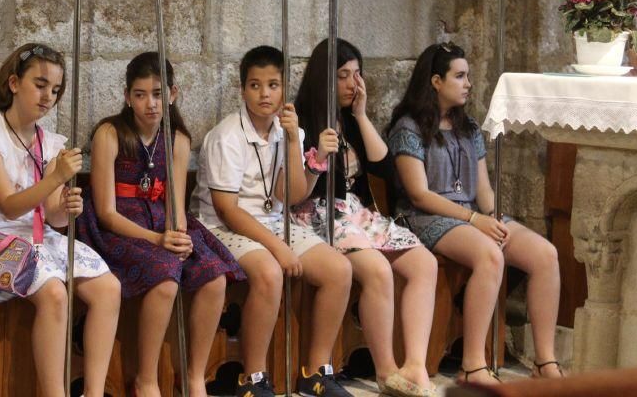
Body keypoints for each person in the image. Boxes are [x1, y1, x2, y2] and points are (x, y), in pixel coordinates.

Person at [388, 42, 562, 384]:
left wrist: (496, 218)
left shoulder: (468, 129)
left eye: (468, 76)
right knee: (489, 255)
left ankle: (545, 361)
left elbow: (483, 192)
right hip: (426, 219)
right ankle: (473, 365)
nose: (468, 83)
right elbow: (419, 195)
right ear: (436, 81)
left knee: (545, 254)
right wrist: (474, 221)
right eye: (460, 76)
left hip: (469, 216)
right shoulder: (409, 129)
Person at [0, 43, 120, 397]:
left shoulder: (50, 143)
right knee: (54, 293)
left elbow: (52, 216)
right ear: (14, 83)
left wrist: (67, 206)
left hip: (36, 238)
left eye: (56, 90)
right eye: (40, 84)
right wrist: (55, 178)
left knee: (109, 288)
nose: (48, 96)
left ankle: (93, 392)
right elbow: (9, 207)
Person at [76, 52, 244, 397]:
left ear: (172, 94)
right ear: (127, 97)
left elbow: (176, 205)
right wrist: (156, 238)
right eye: (140, 95)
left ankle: (194, 377)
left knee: (214, 275)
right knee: (166, 276)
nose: (150, 103)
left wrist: (179, 235)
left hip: (162, 222)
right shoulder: (110, 133)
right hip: (119, 226)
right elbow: (106, 212)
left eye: (157, 93)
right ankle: (146, 380)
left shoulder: (177, 140)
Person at [194, 45, 353, 397]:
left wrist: (301, 144)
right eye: (255, 85)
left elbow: (291, 193)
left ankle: (315, 371)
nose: (265, 94)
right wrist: (278, 247)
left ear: (284, 88)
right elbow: (226, 209)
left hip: (272, 222)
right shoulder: (226, 136)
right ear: (242, 89)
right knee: (268, 271)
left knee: (338, 270)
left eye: (273, 85)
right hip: (222, 227)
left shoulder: (286, 131)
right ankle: (252, 379)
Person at [292, 39, 437, 397]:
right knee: (377, 270)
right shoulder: (304, 118)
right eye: (343, 76)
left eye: (357, 75)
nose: (352, 85)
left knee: (424, 263)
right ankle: (386, 371)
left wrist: (360, 114)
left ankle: (416, 365)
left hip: (357, 214)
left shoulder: (350, 119)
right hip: (319, 213)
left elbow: (384, 166)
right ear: (323, 78)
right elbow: (300, 187)